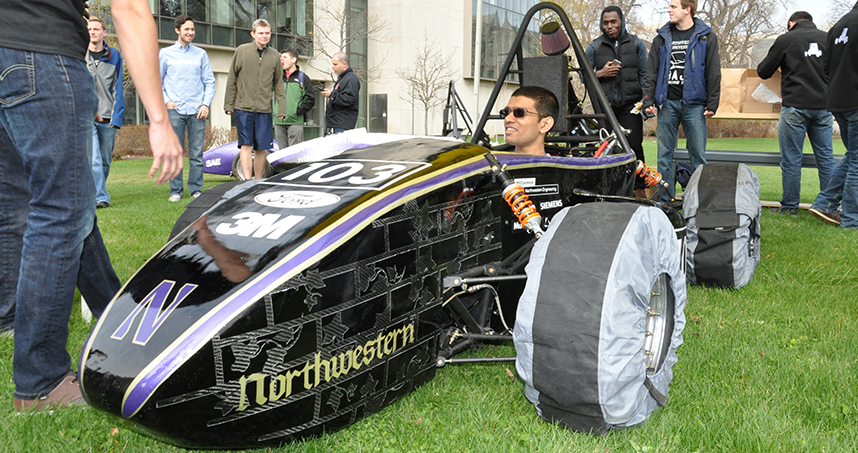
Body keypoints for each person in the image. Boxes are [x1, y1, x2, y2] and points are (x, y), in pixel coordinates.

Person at [0, 0, 182, 412]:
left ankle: (106, 313)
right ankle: (41, 382)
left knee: (23, 203)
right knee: (61, 212)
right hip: (40, 53)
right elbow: (131, 9)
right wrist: (158, 119)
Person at [757, 11, 835, 216]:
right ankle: (829, 206)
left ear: (791, 23)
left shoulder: (786, 40)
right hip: (824, 106)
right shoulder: (828, 38)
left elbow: (764, 71)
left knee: (792, 158)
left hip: (795, 107)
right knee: (826, 157)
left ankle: (790, 206)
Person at [641, 0, 721, 201]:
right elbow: (651, 73)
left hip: (695, 105)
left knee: (698, 157)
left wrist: (712, 103)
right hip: (666, 104)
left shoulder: (707, 37)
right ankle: (665, 201)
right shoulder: (661, 38)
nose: (669, 10)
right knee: (663, 157)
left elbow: (713, 72)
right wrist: (648, 99)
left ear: (687, 9)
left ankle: (698, 202)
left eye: (673, 6)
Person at [586, 5, 648, 196]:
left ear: (621, 22)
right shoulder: (594, 47)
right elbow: (584, 76)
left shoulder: (638, 44)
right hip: (605, 107)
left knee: (634, 146)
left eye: (613, 22)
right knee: (608, 150)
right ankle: (610, 190)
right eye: (605, 23)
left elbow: (645, 76)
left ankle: (639, 190)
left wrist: (646, 102)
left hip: (631, 106)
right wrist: (601, 73)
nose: (609, 26)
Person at [808, 2, 858, 229]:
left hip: (839, 100)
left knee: (853, 156)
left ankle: (824, 203)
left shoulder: (839, 26)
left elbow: (826, 67)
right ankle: (851, 220)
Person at [160, 14, 216, 202]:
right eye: (187, 29)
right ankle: (175, 191)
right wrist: (166, 101)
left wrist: (205, 103)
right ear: (177, 30)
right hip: (174, 110)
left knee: (196, 154)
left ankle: (196, 190)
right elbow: (157, 82)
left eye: (192, 29)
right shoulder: (165, 54)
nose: (191, 32)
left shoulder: (201, 54)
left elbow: (209, 81)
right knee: (175, 153)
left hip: (196, 111)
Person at [224, 19, 286, 180]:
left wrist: (282, 108)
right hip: (243, 108)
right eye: (261, 33)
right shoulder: (242, 51)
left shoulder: (274, 56)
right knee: (245, 145)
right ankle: (247, 181)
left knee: (261, 148)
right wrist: (228, 104)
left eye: (267, 33)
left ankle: (258, 181)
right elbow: (232, 78)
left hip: (264, 109)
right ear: (253, 34)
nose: (264, 36)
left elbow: (278, 83)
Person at [86, 17, 125, 209]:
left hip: (108, 116)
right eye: (89, 29)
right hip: (86, 117)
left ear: (104, 32)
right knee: (93, 159)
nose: (92, 32)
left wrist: (117, 117)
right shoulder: (79, 54)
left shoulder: (114, 56)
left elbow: (118, 88)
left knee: (104, 161)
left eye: (96, 29)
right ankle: (100, 197)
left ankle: (97, 191)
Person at [273, 48, 316, 149]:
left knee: (294, 153)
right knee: (282, 154)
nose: (281, 60)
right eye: (280, 57)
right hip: (279, 121)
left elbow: (310, 98)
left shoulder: (303, 78)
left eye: (285, 57)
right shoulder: (277, 77)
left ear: (293, 60)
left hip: (295, 122)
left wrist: (296, 111)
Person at [501, 86, 558, 156]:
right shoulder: (490, 164)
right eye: (506, 112)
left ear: (545, 125)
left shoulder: (555, 166)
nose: (507, 118)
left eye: (519, 112)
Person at [321, 52, 360, 135]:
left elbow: (349, 99)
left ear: (344, 64)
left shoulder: (350, 79)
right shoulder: (343, 78)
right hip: (336, 123)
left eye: (335, 64)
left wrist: (332, 95)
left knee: (340, 148)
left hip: (342, 124)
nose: (333, 67)